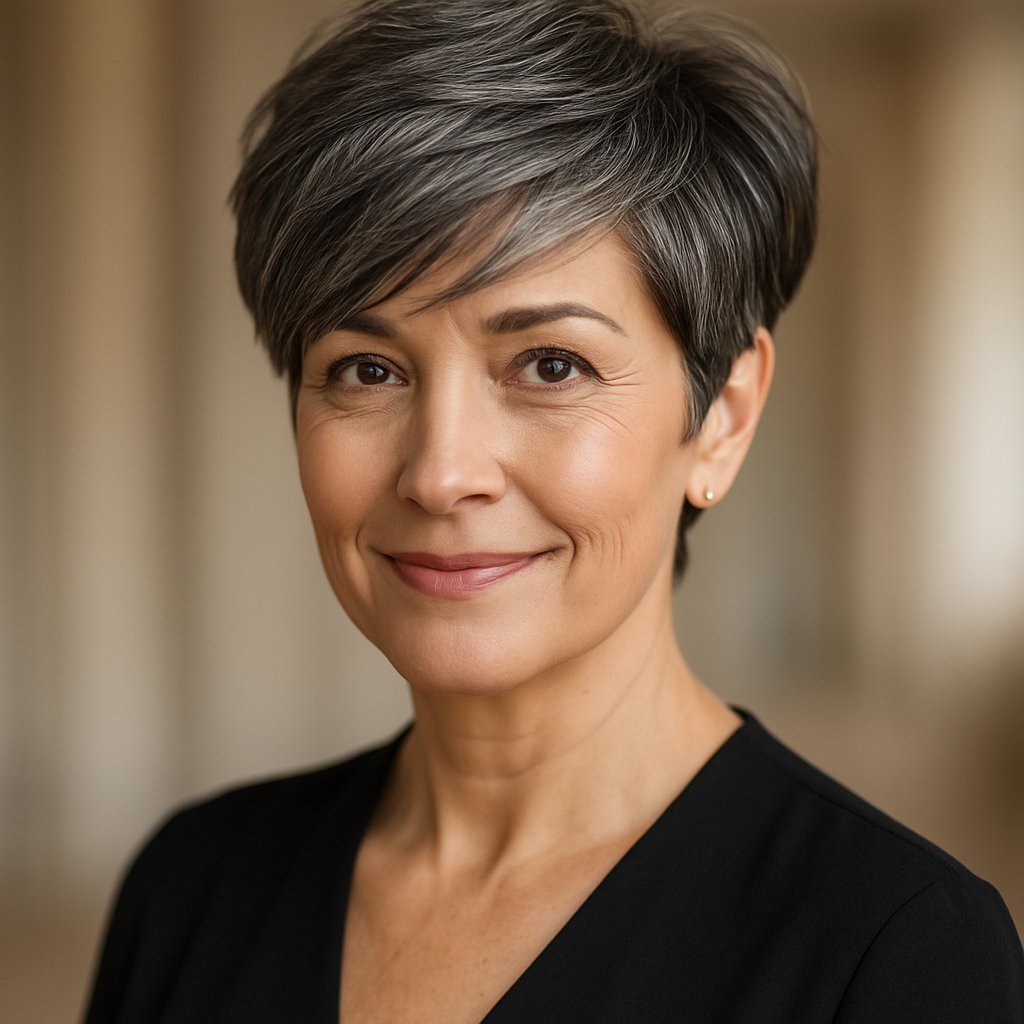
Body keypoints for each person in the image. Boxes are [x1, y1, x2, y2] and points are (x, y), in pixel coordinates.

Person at [83, 1, 1024, 1021]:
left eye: (548, 364)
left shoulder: (896, 950)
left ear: (720, 417)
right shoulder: (190, 890)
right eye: (365, 368)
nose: (441, 473)